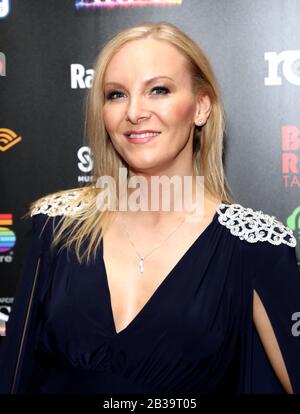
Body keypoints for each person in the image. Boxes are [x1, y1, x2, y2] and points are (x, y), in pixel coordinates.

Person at [0, 21, 299, 395]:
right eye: (116, 95)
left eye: (158, 90)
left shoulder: (254, 246)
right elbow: (13, 373)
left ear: (201, 107)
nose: (135, 112)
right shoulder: (57, 226)